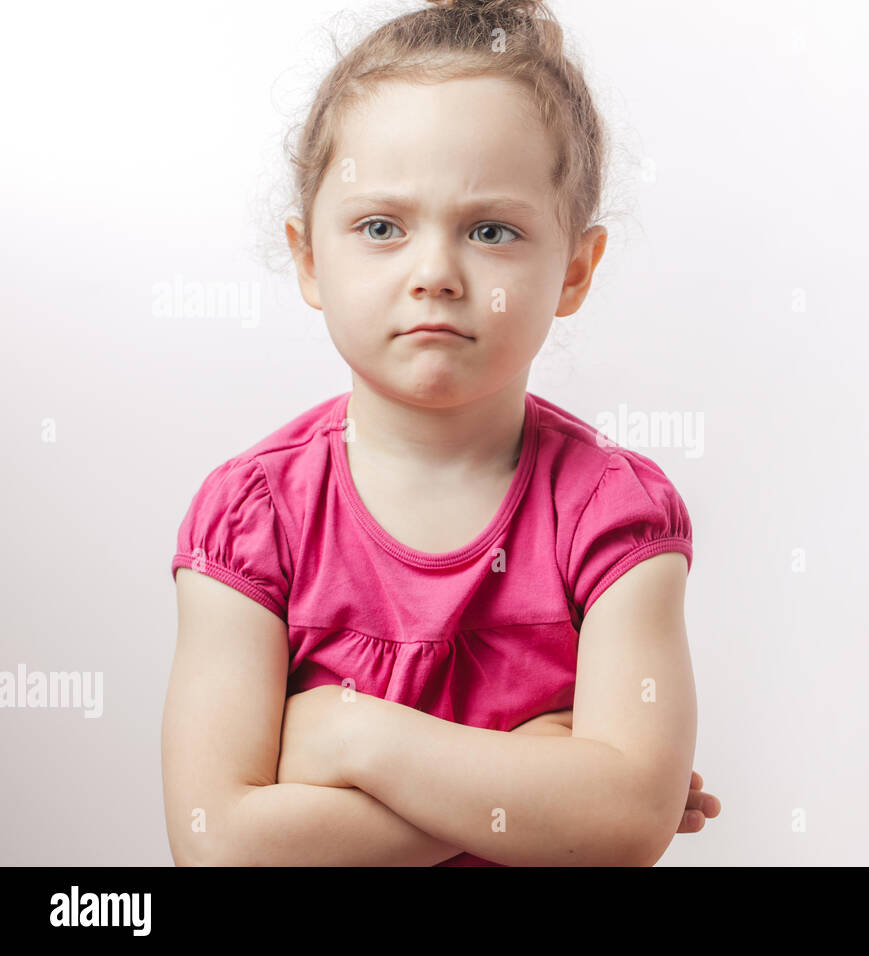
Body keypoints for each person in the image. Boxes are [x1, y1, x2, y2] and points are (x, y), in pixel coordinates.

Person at [162, 0, 719, 866]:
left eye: (490, 230)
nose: (434, 274)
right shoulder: (253, 517)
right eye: (381, 227)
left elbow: (626, 826)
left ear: (574, 269)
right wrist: (539, 782)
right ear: (310, 258)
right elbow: (221, 847)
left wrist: (351, 740)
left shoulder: (614, 515)